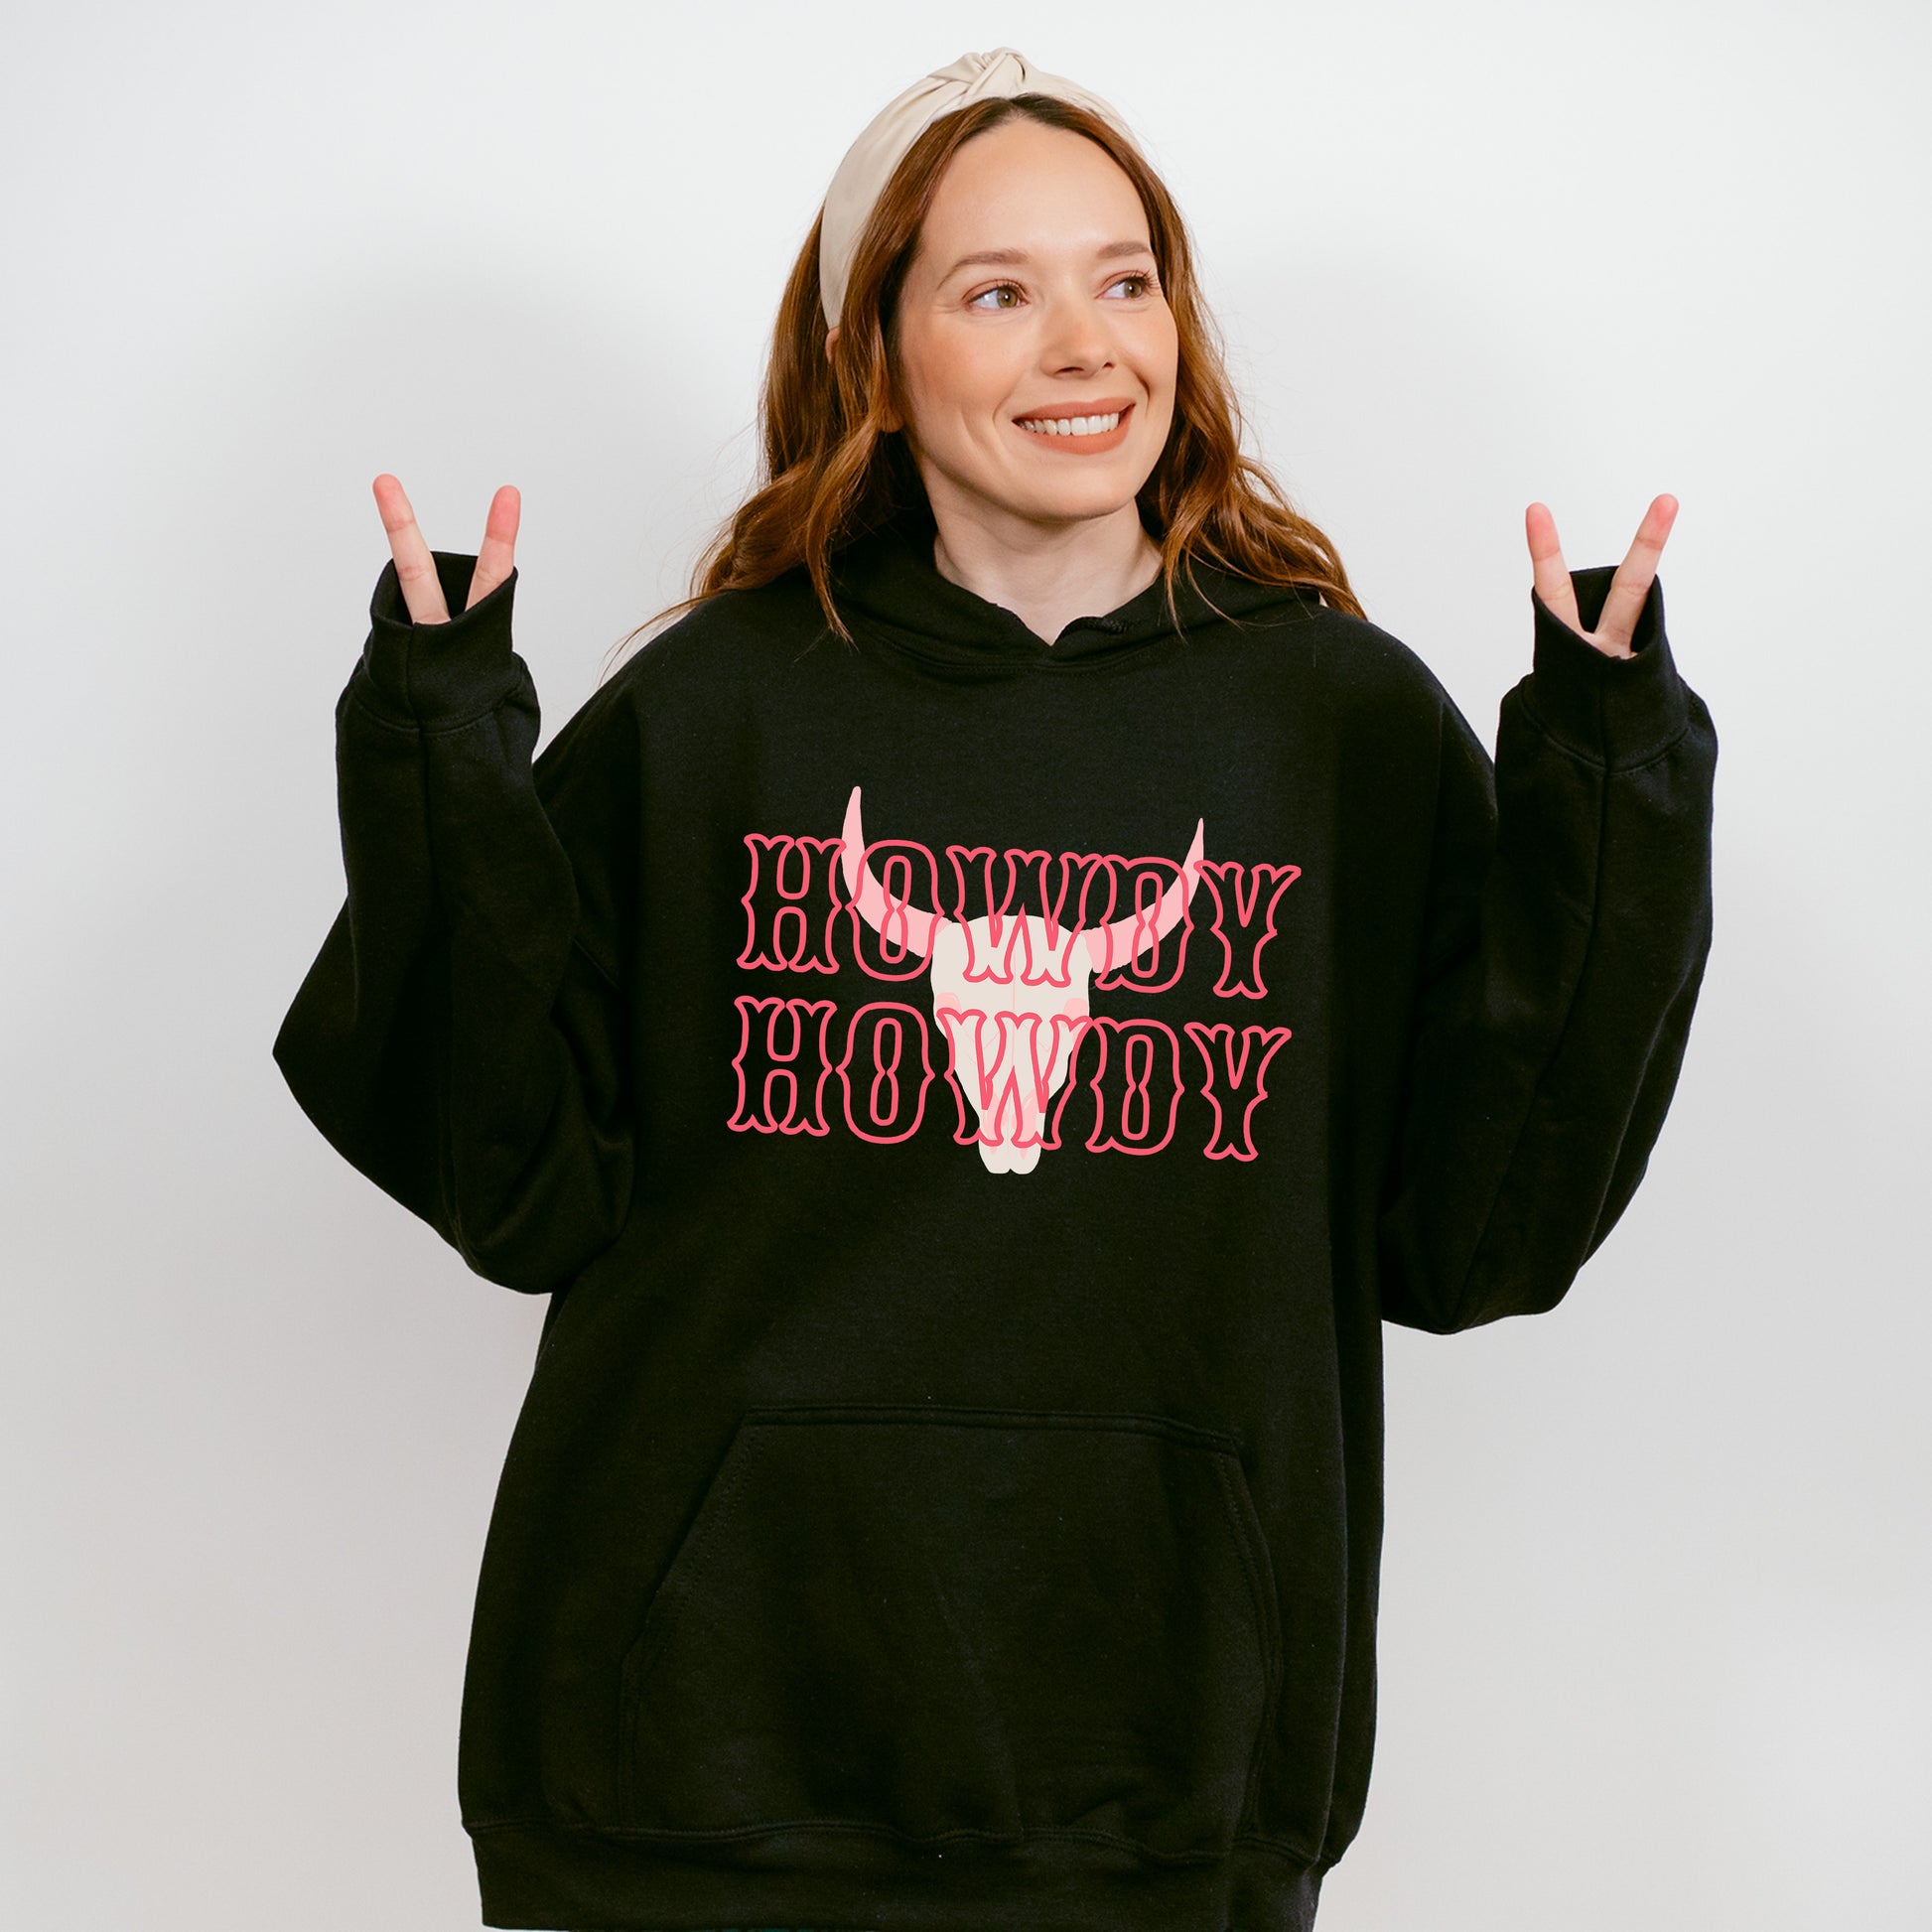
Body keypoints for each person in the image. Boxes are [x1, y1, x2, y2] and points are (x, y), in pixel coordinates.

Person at [273, 47, 1716, 1932]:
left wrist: (1607, 765)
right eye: (996, 291)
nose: (1083, 345)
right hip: (696, 1769)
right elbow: (513, 1179)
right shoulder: (720, 705)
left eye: (1125, 280)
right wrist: (439, 740)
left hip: (1160, 1775)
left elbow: (1479, 1231)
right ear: (876, 354)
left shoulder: (1331, 721)